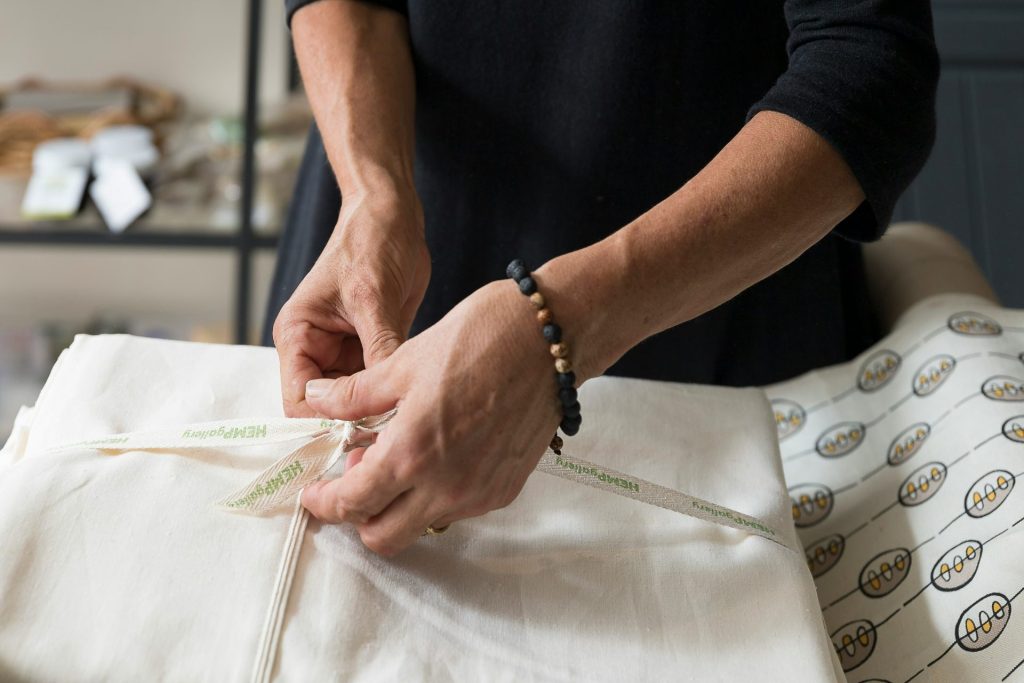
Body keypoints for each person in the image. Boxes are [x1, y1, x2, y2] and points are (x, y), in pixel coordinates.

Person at [264, 0, 939, 555]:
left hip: (707, 343)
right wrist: (371, 190)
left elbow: (870, 66)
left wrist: (564, 327)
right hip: (379, 270)